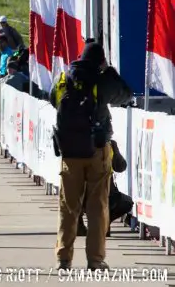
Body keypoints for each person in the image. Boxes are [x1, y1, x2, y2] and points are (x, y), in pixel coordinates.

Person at [50, 41, 133, 271]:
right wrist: (110, 71)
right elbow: (125, 95)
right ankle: (95, 261)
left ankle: (63, 259)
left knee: (68, 206)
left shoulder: (64, 78)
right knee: (98, 207)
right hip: (97, 150)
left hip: (69, 151)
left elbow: (52, 99)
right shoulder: (101, 79)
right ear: (100, 60)